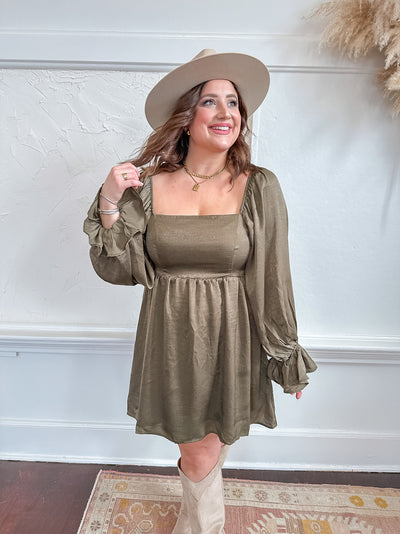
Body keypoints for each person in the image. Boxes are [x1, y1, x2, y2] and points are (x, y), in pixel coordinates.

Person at [83, 49, 317, 534]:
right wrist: (110, 198)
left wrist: (284, 352)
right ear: (187, 117)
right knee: (198, 449)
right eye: (211, 101)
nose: (226, 112)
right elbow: (118, 266)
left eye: (233, 102)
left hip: (233, 335)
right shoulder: (149, 186)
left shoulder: (259, 187)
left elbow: (274, 276)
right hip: (170, 336)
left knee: (206, 448)